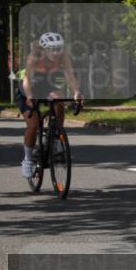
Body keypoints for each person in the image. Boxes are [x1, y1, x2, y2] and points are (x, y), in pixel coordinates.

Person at [17, 32, 84, 178]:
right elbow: (26, 80)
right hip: (28, 86)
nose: (56, 52)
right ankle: (27, 160)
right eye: (52, 49)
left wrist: (77, 92)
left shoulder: (63, 56)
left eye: (59, 48)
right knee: (33, 125)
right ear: (44, 49)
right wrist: (29, 96)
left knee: (58, 99)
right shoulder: (35, 56)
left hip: (47, 83)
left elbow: (70, 76)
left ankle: (55, 136)